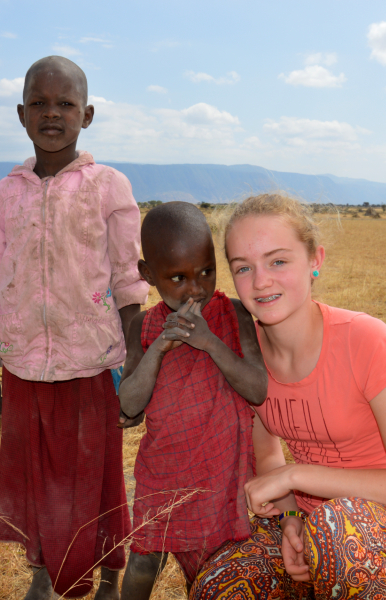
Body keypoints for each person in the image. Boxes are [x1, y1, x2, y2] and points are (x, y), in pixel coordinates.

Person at [191, 194, 386, 600]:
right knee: (220, 584)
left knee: (335, 532)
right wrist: (290, 517)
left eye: (278, 261)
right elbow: (269, 457)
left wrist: (295, 475)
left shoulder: (365, 340)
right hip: (309, 521)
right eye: (243, 268)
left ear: (314, 260)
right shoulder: (246, 356)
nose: (261, 281)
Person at [0, 56, 148, 600]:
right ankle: (45, 574)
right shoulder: (9, 192)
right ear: (21, 115)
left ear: (87, 115)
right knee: (39, 479)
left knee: (94, 478)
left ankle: (111, 578)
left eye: (65, 104)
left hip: (91, 363)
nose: (53, 114)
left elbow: (129, 278)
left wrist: (136, 362)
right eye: (40, 104)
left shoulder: (108, 185)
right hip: (24, 365)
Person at [116, 202, 268, 599]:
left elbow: (257, 389)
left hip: (218, 473)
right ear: (148, 275)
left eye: (206, 271)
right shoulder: (144, 326)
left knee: (212, 567)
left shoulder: (234, 315)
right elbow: (129, 403)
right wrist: (160, 347)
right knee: (144, 559)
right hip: (162, 470)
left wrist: (209, 342)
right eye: (178, 277)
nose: (196, 288)